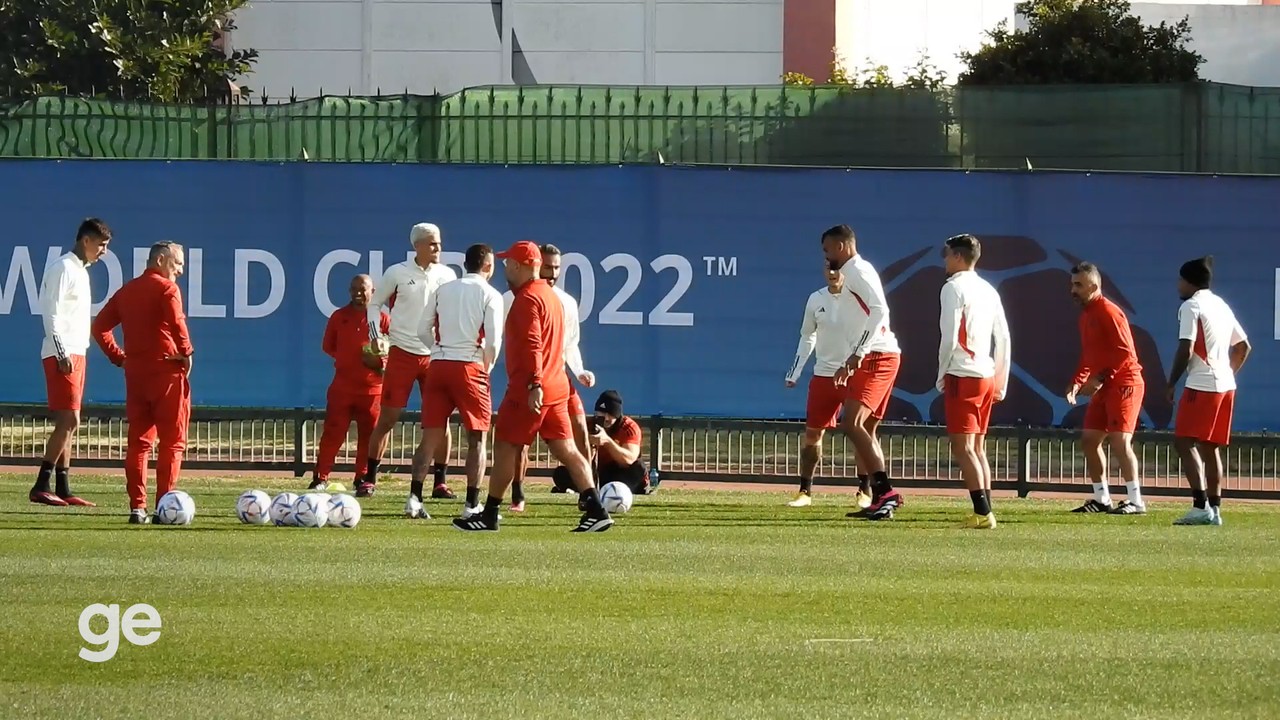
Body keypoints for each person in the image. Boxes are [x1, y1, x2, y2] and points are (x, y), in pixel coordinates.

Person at [452, 240, 613, 533]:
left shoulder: (526, 299)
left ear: (520, 265)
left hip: (530, 388)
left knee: (505, 447)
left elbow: (532, 345)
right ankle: (597, 508)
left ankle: (489, 514)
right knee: (567, 448)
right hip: (557, 385)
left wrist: (533, 384)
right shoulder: (552, 297)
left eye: (508, 264)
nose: (505, 269)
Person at [91, 242, 194, 524]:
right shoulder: (167, 289)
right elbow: (177, 322)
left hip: (136, 374)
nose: (181, 270)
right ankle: (165, 505)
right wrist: (186, 352)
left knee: (139, 443)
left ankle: (137, 507)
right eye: (178, 263)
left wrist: (120, 358)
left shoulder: (127, 291)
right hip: (166, 372)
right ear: (160, 260)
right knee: (173, 442)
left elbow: (99, 327)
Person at [361, 223, 458, 502]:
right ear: (417, 245)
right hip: (401, 353)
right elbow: (374, 304)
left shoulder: (447, 275)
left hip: (435, 356)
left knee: (440, 421)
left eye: (439, 243)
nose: (438, 248)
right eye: (432, 243)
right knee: (388, 418)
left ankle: (440, 482)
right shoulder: (397, 273)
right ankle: (369, 479)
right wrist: (377, 336)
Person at [408, 243, 504, 520]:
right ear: (487, 265)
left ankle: (414, 499)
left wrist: (438, 350)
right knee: (477, 437)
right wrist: (486, 365)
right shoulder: (490, 294)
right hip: (469, 367)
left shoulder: (444, 289)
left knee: (430, 436)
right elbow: (494, 341)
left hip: (438, 365)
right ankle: (472, 503)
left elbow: (421, 329)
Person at [821, 224, 904, 520]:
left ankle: (887, 493)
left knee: (852, 423)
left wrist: (858, 353)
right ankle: (881, 497)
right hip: (874, 355)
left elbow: (880, 310)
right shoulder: (850, 276)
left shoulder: (859, 270)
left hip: (877, 356)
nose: (827, 256)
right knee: (865, 429)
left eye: (828, 250)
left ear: (841, 246)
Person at [507, 243, 596, 514]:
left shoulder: (566, 301)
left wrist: (579, 370)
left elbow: (570, 343)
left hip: (554, 381)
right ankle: (516, 493)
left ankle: (591, 495)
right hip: (531, 382)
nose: (553, 272)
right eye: (548, 266)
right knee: (515, 442)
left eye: (557, 267)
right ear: (535, 265)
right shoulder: (514, 298)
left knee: (578, 428)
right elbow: (517, 341)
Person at [30, 218, 112, 508]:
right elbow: (50, 313)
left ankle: (63, 486)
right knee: (69, 419)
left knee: (71, 420)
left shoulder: (81, 270)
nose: (103, 251)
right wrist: (61, 351)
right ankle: (41, 484)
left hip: (78, 351)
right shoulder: (63, 267)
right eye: (101, 245)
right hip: (61, 352)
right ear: (85, 241)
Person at [1166, 256, 1250, 526]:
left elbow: (1186, 348)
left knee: (1183, 441)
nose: (1178, 285)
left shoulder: (1191, 306)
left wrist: (1170, 383)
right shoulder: (1221, 305)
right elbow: (1243, 347)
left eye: (1181, 280)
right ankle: (1214, 510)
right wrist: (1226, 375)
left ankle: (1200, 505)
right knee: (1210, 448)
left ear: (1190, 282)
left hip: (1202, 385)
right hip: (1226, 384)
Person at [936, 235, 1011, 530]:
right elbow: (1003, 337)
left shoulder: (953, 288)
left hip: (963, 373)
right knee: (977, 447)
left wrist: (942, 372)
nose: (945, 260)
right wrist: (1000, 380)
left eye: (947, 255)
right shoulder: (989, 289)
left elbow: (950, 335)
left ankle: (982, 512)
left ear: (957, 256)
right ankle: (986, 509)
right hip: (986, 374)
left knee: (963, 446)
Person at [1065, 262, 1147, 515]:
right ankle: (1102, 499)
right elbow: (1089, 356)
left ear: (1094, 286)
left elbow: (1125, 352)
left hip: (1125, 382)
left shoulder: (1109, 312)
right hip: (1105, 385)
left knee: (1120, 440)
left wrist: (1100, 379)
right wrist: (1077, 383)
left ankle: (1136, 501)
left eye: (1078, 285)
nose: (1073, 290)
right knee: (1090, 441)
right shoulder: (1086, 316)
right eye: (1072, 284)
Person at [312, 274, 390, 491]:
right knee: (333, 433)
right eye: (353, 288)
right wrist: (349, 360)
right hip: (343, 387)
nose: (357, 292)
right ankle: (321, 477)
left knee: (369, 435)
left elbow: (393, 351)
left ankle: (362, 479)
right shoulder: (338, 317)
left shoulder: (382, 319)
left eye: (362, 289)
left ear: (372, 291)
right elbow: (328, 346)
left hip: (373, 390)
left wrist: (378, 363)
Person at [783, 265, 852, 508]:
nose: (832, 274)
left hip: (854, 376)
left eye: (837, 270)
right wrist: (796, 371)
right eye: (828, 270)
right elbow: (807, 336)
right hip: (823, 376)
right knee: (813, 434)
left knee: (861, 432)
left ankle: (865, 491)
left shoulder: (859, 298)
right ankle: (805, 492)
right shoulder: (816, 298)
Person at [587, 389, 649, 494]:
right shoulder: (588, 425)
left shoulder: (629, 428)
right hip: (600, 471)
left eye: (610, 414)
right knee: (563, 473)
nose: (605, 418)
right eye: (602, 412)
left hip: (621, 470)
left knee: (638, 468)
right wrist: (590, 447)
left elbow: (629, 459)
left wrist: (607, 441)